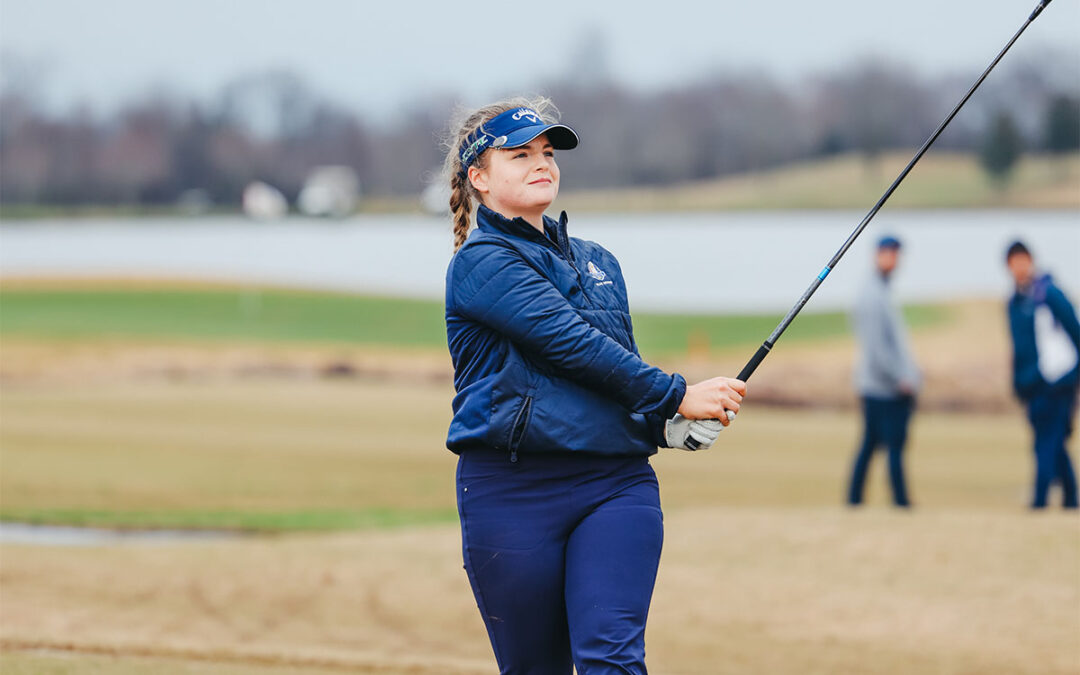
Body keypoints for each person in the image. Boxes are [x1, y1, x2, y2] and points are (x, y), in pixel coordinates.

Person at [442, 96, 746, 673]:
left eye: (548, 153)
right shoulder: (482, 262)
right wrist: (678, 394)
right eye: (520, 154)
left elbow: (615, 366)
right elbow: (570, 345)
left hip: (615, 485)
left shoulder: (598, 260)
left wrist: (667, 424)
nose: (542, 164)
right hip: (511, 494)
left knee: (612, 657)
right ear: (478, 177)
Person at [847, 235, 921, 508]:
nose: (894, 259)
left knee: (873, 444)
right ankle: (898, 501)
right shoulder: (871, 294)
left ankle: (856, 500)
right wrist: (900, 378)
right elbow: (877, 348)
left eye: (897, 254)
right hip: (881, 387)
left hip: (882, 385)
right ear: (877, 255)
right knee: (890, 446)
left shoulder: (882, 289)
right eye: (889, 253)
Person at [1004, 240, 1079, 510]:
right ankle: (1071, 498)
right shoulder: (1014, 301)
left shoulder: (1049, 294)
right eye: (1014, 262)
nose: (1020, 267)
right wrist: (1019, 382)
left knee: (1046, 443)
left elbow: (1075, 331)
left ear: (1032, 261)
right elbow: (1018, 347)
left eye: (1024, 260)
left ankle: (1040, 501)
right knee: (1053, 443)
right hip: (1032, 383)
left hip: (1058, 381)